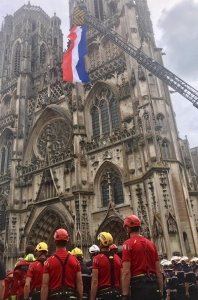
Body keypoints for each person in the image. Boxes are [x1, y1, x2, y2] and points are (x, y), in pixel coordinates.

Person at [122, 214, 163, 300]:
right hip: (153, 284)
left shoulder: (127, 244)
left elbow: (126, 271)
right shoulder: (151, 244)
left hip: (139, 286)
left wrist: (125, 294)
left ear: (128, 228)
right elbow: (158, 271)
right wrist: (161, 290)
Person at [41, 228, 83, 300]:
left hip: (54, 296)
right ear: (67, 241)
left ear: (54, 241)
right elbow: (79, 283)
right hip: (71, 296)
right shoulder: (75, 261)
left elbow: (45, 285)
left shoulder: (48, 262)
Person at [90, 232, 122, 300]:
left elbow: (94, 281)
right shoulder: (118, 258)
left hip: (103, 294)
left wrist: (92, 298)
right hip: (117, 293)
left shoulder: (97, 259)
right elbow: (121, 278)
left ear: (101, 243)